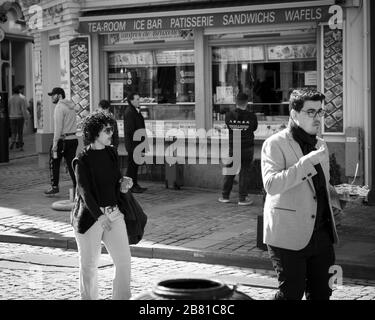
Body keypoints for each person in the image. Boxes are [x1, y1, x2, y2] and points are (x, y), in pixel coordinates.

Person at [261, 88, 339, 300]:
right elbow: (271, 185)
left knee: (323, 292)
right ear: (294, 114)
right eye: (310, 112)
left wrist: (337, 195)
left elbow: (319, 186)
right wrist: (304, 163)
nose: (317, 118)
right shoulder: (275, 143)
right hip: (288, 233)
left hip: (322, 234)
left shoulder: (321, 144)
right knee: (291, 294)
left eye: (320, 112)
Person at [71, 112, 132, 300]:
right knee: (89, 266)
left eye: (112, 129)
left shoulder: (111, 152)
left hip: (113, 213)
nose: (111, 133)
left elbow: (114, 181)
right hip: (90, 218)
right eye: (107, 130)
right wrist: (100, 216)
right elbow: (84, 192)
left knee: (124, 262)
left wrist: (123, 184)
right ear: (95, 132)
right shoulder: (82, 159)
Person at [218, 92, 258, 205]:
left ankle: (225, 196)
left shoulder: (229, 115)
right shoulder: (252, 116)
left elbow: (229, 126)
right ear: (247, 102)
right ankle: (242, 198)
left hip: (234, 145)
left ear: (236, 102)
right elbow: (254, 128)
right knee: (245, 172)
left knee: (230, 171)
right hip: (247, 146)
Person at [44, 87, 78, 196]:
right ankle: (78, 187)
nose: (51, 98)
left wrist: (54, 144)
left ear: (59, 95)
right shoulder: (71, 106)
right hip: (73, 139)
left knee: (54, 162)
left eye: (53, 95)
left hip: (62, 140)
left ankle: (54, 186)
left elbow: (58, 128)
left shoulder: (59, 107)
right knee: (71, 164)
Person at [123, 92, 148, 193]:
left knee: (134, 165)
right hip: (134, 144)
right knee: (132, 166)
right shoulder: (130, 112)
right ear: (131, 101)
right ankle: (127, 187)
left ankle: (133, 185)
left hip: (137, 143)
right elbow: (130, 130)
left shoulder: (135, 110)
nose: (139, 101)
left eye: (139, 99)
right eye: (137, 99)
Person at [8, 85, 28, 151]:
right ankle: (20, 146)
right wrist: (26, 118)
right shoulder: (21, 99)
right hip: (19, 117)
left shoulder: (10, 99)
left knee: (13, 132)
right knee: (20, 132)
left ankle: (12, 141)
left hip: (12, 117)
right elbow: (23, 109)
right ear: (19, 91)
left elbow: (8, 108)